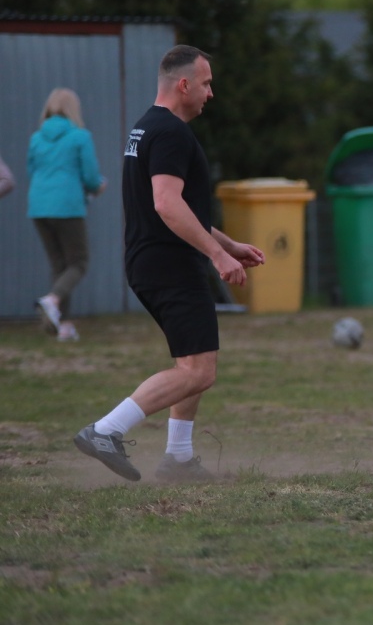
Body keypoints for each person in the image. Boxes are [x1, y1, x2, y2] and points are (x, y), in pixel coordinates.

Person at [73, 45, 265, 483]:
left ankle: (178, 459)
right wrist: (216, 256)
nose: (210, 93)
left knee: (191, 366)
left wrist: (227, 243)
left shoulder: (147, 128)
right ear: (184, 84)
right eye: (206, 83)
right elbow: (166, 204)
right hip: (170, 265)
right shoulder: (172, 133)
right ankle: (106, 430)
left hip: (153, 261)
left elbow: (177, 206)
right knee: (199, 370)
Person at [26, 88, 107, 343]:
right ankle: (51, 300)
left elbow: (32, 171)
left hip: (38, 206)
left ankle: (64, 325)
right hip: (68, 206)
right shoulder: (80, 136)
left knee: (60, 266)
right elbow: (91, 177)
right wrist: (99, 186)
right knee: (79, 262)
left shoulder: (37, 138)